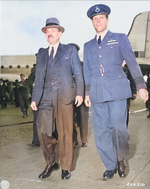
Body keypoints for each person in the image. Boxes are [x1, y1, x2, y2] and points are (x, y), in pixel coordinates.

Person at [83, 4, 148, 180]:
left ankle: (121, 159)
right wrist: (87, 93)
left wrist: (141, 86)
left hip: (118, 91)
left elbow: (132, 63)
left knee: (119, 128)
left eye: (101, 18)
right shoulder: (88, 45)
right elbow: (87, 70)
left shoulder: (119, 38)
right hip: (97, 93)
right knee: (101, 131)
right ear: (92, 22)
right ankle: (110, 165)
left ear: (107, 20)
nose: (98, 21)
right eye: (95, 19)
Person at [30, 18, 83, 180]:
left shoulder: (69, 51)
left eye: (53, 30)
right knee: (43, 132)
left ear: (60, 33)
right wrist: (34, 98)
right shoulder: (41, 54)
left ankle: (66, 167)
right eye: (47, 31)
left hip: (65, 96)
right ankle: (51, 162)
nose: (49, 33)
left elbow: (78, 73)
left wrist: (80, 93)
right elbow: (39, 79)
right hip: (45, 97)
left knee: (66, 133)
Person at [68, 43, 89, 148]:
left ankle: (84, 140)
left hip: (82, 95)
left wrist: (87, 95)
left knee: (83, 118)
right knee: (70, 119)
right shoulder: (65, 67)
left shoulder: (83, 65)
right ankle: (74, 139)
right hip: (69, 97)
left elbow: (87, 81)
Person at [122, 61, 137, 127]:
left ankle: (124, 130)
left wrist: (134, 92)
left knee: (125, 112)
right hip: (112, 95)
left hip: (125, 95)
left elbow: (132, 81)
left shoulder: (127, 70)